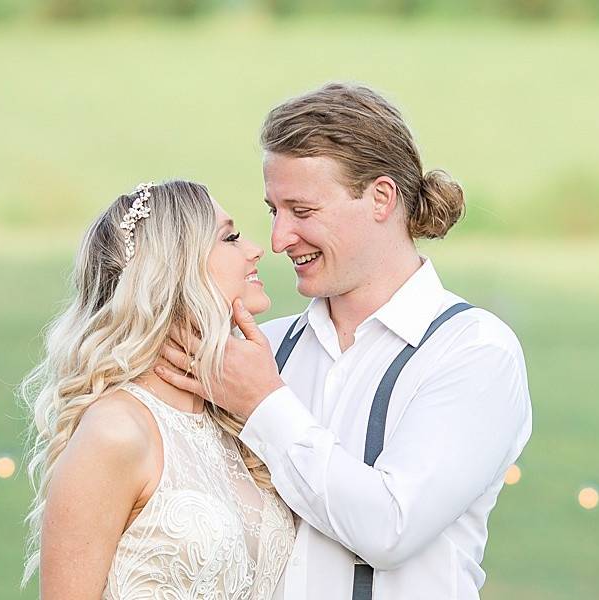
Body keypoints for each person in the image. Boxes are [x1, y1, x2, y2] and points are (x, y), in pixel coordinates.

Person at [155, 83, 533, 600]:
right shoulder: (260, 349)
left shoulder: (474, 352)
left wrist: (264, 405)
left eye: (302, 212)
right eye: (273, 210)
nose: (279, 239)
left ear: (381, 198)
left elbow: (391, 527)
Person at [19, 180, 295, 599]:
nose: (256, 248)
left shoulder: (233, 420)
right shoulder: (117, 430)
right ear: (174, 266)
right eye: (230, 237)